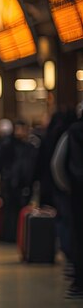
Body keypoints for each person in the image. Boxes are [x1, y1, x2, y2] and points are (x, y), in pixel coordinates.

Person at [65, 101, 83, 299]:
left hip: (76, 192)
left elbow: (58, 164)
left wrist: (67, 187)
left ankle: (78, 279)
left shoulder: (72, 132)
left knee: (78, 234)